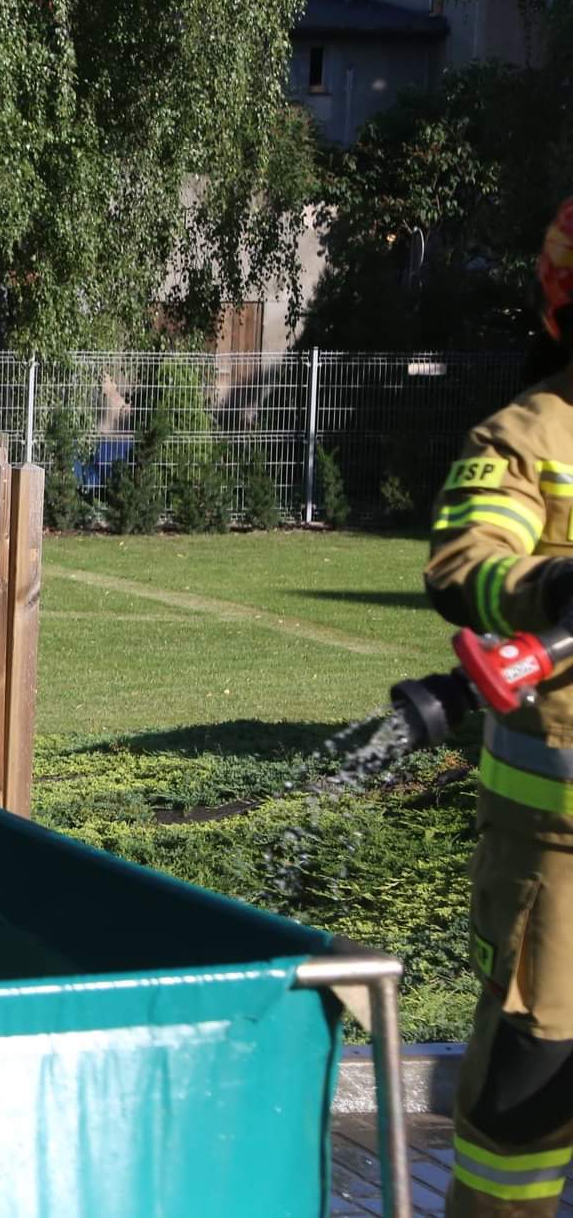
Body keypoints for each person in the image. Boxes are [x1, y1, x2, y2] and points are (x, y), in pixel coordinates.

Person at [425, 197, 573, 1214]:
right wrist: (547, 588)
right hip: (557, 855)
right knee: (525, 1096)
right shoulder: (531, 433)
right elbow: (462, 561)